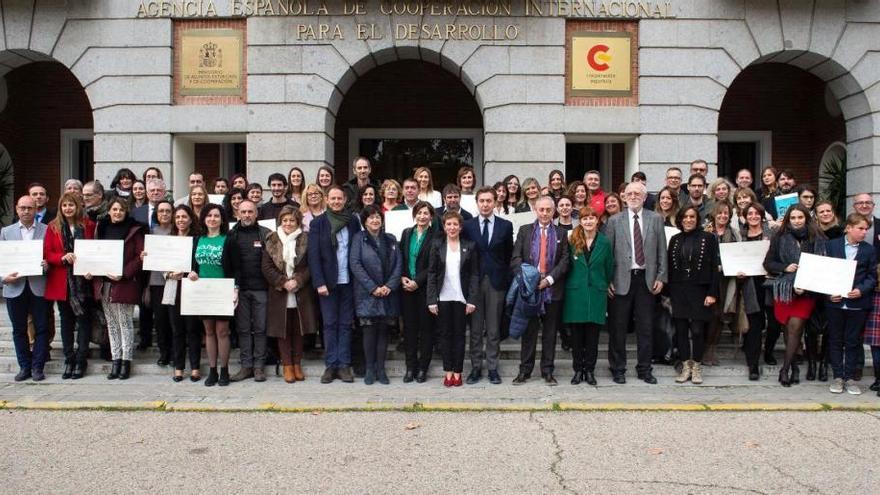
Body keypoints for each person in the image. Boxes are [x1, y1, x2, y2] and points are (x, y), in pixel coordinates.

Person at [605, 181, 668, 384]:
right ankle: (618, 368)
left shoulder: (656, 219)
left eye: (637, 194)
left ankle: (644, 369)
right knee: (618, 328)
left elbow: (662, 251)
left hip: (646, 281)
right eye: (629, 193)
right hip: (620, 280)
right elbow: (608, 255)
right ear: (623, 197)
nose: (633, 196)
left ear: (644, 197)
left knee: (646, 327)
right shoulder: (614, 221)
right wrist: (607, 280)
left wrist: (661, 277)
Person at [763, 204, 825, 386]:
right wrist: (784, 267)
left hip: (806, 292)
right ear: (788, 220)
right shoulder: (779, 237)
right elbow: (768, 263)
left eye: (800, 217)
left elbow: (822, 265)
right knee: (787, 328)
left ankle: (785, 369)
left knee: (795, 327)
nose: (797, 221)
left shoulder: (817, 238)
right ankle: (795, 369)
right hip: (784, 291)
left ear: (806, 218)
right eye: (793, 218)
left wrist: (804, 285)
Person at [511, 196, 570, 386]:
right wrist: (531, 279)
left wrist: (549, 279)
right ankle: (525, 371)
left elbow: (565, 261)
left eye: (548, 210)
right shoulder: (525, 231)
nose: (544, 213)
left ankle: (547, 371)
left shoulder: (561, 233)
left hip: (553, 290)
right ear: (536, 210)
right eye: (541, 209)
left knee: (550, 334)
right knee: (529, 333)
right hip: (530, 291)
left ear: (554, 212)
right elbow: (515, 259)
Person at [87, 198, 145, 380]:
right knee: (111, 324)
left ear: (126, 211)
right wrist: (91, 271)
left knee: (125, 322)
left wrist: (124, 273)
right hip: (105, 283)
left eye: (121, 209)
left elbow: (140, 256)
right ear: (109, 211)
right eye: (114, 209)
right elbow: (95, 252)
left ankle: (126, 360)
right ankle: (116, 359)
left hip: (124, 283)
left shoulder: (134, 229)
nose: (117, 212)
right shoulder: (101, 228)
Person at [308, 185, 361, 383]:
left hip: (348, 281)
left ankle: (344, 365)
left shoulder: (353, 222)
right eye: (333, 198)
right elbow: (313, 256)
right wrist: (319, 282)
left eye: (340, 198)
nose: (337, 202)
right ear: (327, 200)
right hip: (327, 284)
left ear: (345, 200)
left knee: (346, 324)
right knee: (329, 324)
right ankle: (331, 365)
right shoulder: (318, 223)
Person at [462, 187, 513, 385]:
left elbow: (508, 256)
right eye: (482, 201)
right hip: (474, 283)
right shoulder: (467, 226)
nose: (485, 204)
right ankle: (476, 367)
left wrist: (506, 280)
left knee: (493, 329)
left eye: (488, 201)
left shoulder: (505, 226)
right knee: (475, 329)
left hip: (496, 282)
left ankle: (492, 368)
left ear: (495, 202)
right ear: (477, 202)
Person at [44, 193, 96, 379]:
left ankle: (81, 360)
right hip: (62, 283)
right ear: (60, 207)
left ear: (78, 206)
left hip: (84, 283)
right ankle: (69, 358)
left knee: (83, 322)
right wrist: (61, 257)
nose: (68, 208)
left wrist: (92, 268)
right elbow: (47, 253)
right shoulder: (52, 227)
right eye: (64, 205)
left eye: (71, 205)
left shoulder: (88, 225)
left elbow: (95, 250)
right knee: (66, 322)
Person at [262, 205, 316, 383]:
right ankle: (287, 365)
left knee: (298, 330)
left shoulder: (306, 239)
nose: (288, 223)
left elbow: (310, 266)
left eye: (292, 220)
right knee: (282, 331)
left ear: (298, 221)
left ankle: (297, 364)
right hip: (279, 292)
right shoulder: (271, 239)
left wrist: (298, 281)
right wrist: (283, 282)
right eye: (285, 220)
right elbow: (266, 267)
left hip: (301, 291)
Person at [349, 205, 401, 385]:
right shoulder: (358, 239)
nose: (375, 220)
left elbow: (398, 265)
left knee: (383, 332)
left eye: (378, 217)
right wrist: (373, 287)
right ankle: (370, 368)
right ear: (365, 221)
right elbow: (355, 264)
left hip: (387, 293)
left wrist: (389, 286)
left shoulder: (391, 239)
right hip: (367, 294)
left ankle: (381, 368)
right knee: (369, 332)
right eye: (371, 217)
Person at [668, 206, 720, 385]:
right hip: (679, 290)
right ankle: (685, 366)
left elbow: (715, 267)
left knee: (697, 331)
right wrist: (669, 293)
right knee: (681, 331)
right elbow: (670, 267)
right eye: (685, 217)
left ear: (697, 219)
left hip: (700, 290)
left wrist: (712, 293)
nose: (689, 220)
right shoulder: (675, 239)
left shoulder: (709, 238)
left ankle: (697, 366)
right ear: (680, 219)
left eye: (692, 217)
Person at [825, 213, 876, 395]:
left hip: (858, 303)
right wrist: (829, 293)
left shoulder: (869, 250)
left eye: (866, 229)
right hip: (835, 303)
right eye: (860, 228)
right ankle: (838, 377)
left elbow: (871, 276)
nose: (864, 232)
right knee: (836, 340)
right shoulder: (831, 246)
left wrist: (861, 290)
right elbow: (824, 272)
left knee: (853, 341)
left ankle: (851, 378)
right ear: (848, 227)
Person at [427, 211, 480, 387]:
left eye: (455, 224)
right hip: (442, 297)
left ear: (461, 227)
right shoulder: (437, 245)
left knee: (459, 336)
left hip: (461, 298)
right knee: (445, 336)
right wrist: (431, 300)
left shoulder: (469, 246)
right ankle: (447, 372)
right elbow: (432, 273)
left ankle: (458, 373)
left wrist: (472, 300)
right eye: (448, 224)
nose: (452, 227)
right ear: (444, 227)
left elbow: (474, 274)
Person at [563, 206, 613, 386]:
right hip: (576, 294)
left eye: (592, 218)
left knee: (593, 337)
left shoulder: (605, 242)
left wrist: (606, 284)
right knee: (576, 338)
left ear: (597, 221)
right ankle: (578, 370)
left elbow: (609, 267)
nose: (589, 221)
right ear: (580, 221)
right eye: (585, 218)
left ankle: (590, 371)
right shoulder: (572, 240)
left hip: (597, 294)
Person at [3, 196, 50, 381]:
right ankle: (24, 367)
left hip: (38, 285)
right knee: (18, 329)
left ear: (36, 209)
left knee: (42, 328)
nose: (26, 211)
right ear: (16, 209)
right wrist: (3, 278)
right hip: (14, 286)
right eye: (23, 208)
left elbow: (53, 256)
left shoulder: (47, 230)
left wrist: (47, 265)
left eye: (30, 208)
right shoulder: (6, 232)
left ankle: (38, 367)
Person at [226, 200, 272, 383]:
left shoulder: (266, 234)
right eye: (243, 212)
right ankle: (246, 366)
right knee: (243, 329)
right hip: (240, 290)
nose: (246, 215)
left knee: (261, 329)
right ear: (237, 213)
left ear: (256, 213)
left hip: (262, 289)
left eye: (250, 212)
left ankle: (259, 367)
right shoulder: (231, 234)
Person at [189, 204, 234, 387]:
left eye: (216, 216)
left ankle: (224, 370)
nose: (213, 219)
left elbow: (235, 267)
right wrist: (192, 273)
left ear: (222, 219)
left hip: (222, 290)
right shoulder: (197, 239)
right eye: (209, 215)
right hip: (203, 292)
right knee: (208, 331)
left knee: (222, 331)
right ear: (204, 218)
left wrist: (235, 289)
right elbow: (193, 265)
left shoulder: (228, 239)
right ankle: (213, 370)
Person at [165, 205, 203, 382]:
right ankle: (178, 367)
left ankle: (195, 367)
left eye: (184, 217)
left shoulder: (197, 240)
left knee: (193, 329)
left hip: (191, 287)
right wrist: (169, 274)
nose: (180, 220)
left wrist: (191, 274)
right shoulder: (169, 240)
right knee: (177, 330)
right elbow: (161, 264)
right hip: (174, 287)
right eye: (177, 217)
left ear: (190, 219)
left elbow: (200, 264)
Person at [400, 201, 436, 383]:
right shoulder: (407, 233)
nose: (422, 216)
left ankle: (423, 368)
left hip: (425, 290)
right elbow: (401, 258)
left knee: (426, 330)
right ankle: (410, 367)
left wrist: (417, 281)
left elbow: (433, 265)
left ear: (431, 217)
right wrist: (403, 277)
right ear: (415, 214)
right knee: (410, 330)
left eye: (426, 213)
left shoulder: (436, 236)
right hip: (407, 290)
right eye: (419, 212)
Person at [132, 178, 169, 351]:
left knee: (163, 305)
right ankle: (145, 338)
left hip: (165, 265)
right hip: (142, 264)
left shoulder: (171, 211)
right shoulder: (137, 212)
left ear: (164, 192)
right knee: (143, 302)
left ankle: (165, 341)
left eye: (158, 190)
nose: (155, 193)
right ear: (146, 193)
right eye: (151, 190)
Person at [740, 202, 774, 380]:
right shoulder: (741, 236)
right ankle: (753, 364)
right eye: (749, 213)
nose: (753, 216)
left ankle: (768, 352)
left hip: (771, 284)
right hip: (750, 285)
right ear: (745, 217)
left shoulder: (772, 234)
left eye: (756, 213)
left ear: (762, 215)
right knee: (755, 325)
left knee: (774, 324)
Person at [139, 200, 175, 367]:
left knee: (174, 320)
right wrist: (144, 256)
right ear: (156, 214)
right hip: (156, 282)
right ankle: (164, 353)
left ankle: (175, 353)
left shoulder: (178, 231)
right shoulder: (150, 233)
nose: (165, 214)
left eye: (168, 211)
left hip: (175, 280)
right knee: (160, 320)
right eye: (161, 211)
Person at [703, 201, 738, 366]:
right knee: (711, 314)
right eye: (720, 213)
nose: (723, 216)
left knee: (720, 316)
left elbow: (739, 254)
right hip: (708, 279)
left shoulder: (734, 233)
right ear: (714, 214)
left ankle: (711, 350)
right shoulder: (705, 231)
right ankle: (705, 350)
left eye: (726, 213)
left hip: (726, 280)